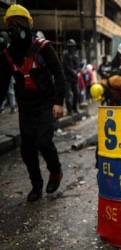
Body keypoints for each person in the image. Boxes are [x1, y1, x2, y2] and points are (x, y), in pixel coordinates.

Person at [0, 4, 66, 202]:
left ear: (27, 25)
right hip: (25, 107)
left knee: (43, 142)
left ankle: (55, 172)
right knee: (27, 148)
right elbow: (2, 83)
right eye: (11, 24)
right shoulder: (8, 54)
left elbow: (59, 74)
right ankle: (36, 184)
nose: (14, 28)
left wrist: (58, 102)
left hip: (45, 103)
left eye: (19, 23)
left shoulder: (43, 47)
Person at [63, 38, 80, 114]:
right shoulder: (65, 55)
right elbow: (66, 66)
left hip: (74, 78)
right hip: (67, 78)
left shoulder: (76, 55)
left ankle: (74, 108)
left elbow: (78, 66)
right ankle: (69, 110)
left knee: (76, 93)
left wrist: (77, 71)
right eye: (70, 46)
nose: (71, 48)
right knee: (68, 95)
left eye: (72, 46)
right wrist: (73, 72)